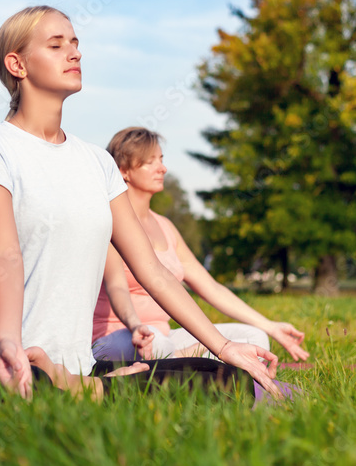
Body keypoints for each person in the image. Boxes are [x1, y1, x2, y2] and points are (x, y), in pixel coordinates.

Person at [0, 5, 284, 399]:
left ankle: (86, 385)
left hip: (76, 362)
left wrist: (224, 347)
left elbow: (152, 270)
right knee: (20, 389)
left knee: (227, 379)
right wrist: (8, 342)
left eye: (74, 43)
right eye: (56, 45)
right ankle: (93, 389)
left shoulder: (97, 162)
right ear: (17, 64)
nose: (74, 53)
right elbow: (4, 256)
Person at [91, 128, 310, 364]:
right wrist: (134, 324)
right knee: (157, 345)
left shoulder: (166, 226)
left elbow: (211, 287)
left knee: (253, 337)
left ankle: (185, 360)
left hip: (164, 337)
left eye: (161, 160)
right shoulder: (112, 222)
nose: (162, 168)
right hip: (117, 338)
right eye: (150, 161)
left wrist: (271, 326)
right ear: (123, 171)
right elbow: (118, 287)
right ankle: (194, 361)